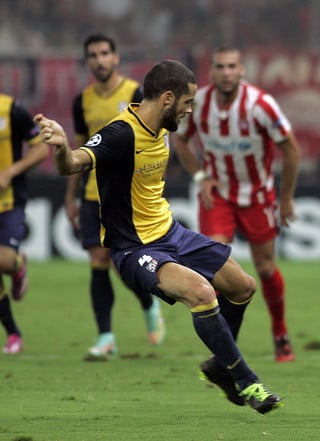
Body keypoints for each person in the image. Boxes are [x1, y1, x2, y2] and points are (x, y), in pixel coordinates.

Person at [35, 59, 283, 414]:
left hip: (171, 233)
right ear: (168, 98)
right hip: (134, 247)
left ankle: (218, 365)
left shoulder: (162, 126)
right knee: (201, 293)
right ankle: (246, 381)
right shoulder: (121, 134)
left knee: (243, 286)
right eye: (188, 102)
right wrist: (60, 147)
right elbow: (73, 163)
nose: (190, 110)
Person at [173, 47, 300, 363]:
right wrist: (201, 176)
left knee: (267, 268)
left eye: (232, 66)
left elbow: (291, 148)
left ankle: (280, 333)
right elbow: (181, 140)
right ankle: (226, 347)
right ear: (211, 71)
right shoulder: (198, 103)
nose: (226, 72)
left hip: (258, 196)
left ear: (242, 70)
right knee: (214, 265)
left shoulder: (260, 105)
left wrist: (285, 197)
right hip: (218, 196)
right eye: (220, 66)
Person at [64, 33, 165, 358]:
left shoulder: (136, 93)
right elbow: (77, 151)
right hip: (94, 195)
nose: (99, 60)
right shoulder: (83, 101)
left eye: (104, 53)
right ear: (88, 61)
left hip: (128, 198)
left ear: (116, 57)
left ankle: (149, 307)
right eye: (93, 55)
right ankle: (106, 336)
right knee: (97, 260)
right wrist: (71, 197)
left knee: (125, 266)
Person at [0, 93, 50, 353]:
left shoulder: (11, 110)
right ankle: (13, 334)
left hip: (8, 201)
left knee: (4, 261)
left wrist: (10, 172)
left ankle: (18, 266)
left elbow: (42, 148)